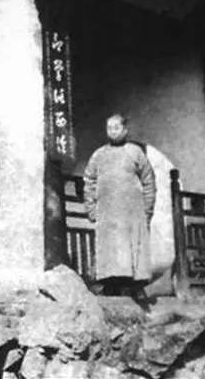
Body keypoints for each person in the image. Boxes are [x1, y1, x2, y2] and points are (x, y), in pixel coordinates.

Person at [84, 114, 156, 310]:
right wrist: (91, 207)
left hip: (132, 212)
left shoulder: (135, 152)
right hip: (107, 212)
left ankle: (137, 287)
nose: (113, 132)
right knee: (110, 249)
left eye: (116, 128)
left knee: (133, 248)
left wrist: (147, 210)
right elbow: (89, 180)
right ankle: (110, 285)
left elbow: (148, 181)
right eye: (109, 128)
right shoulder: (99, 155)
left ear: (125, 130)